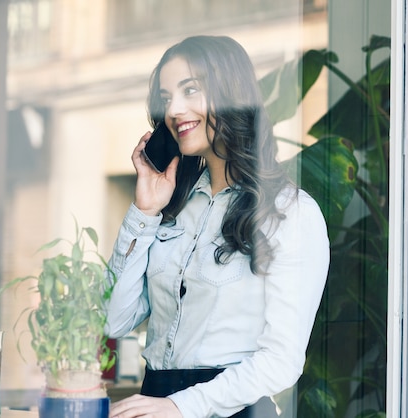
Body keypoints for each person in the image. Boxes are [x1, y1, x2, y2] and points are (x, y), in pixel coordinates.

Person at [104, 35, 330, 418]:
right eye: (166, 98)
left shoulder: (290, 213)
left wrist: (180, 405)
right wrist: (143, 213)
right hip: (155, 402)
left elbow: (281, 361)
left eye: (190, 90)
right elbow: (113, 318)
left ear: (231, 94)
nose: (174, 109)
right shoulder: (174, 205)